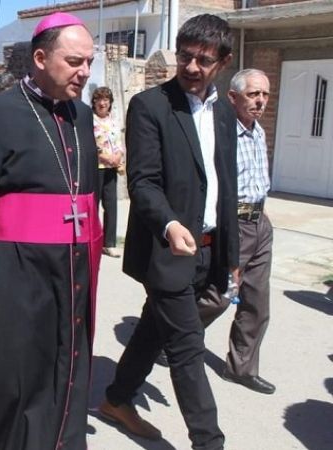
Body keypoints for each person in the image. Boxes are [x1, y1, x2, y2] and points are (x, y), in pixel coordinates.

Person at [0, 12, 102, 449]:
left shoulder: (82, 116)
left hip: (68, 270)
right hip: (13, 271)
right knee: (3, 377)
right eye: (74, 61)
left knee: (62, 362)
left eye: (89, 61)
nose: (84, 71)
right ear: (41, 57)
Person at [99, 15, 238, 450]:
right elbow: (142, 181)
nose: (192, 67)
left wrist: (229, 253)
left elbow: (225, 184)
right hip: (169, 248)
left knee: (153, 329)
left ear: (223, 61)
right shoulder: (151, 105)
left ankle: (117, 399)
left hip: (208, 248)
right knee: (186, 347)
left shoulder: (224, 113)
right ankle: (208, 441)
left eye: (203, 59)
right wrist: (171, 223)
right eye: (185, 56)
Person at [196, 68, 276, 395]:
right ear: (233, 97)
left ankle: (241, 367)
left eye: (265, 95)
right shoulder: (222, 133)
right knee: (220, 294)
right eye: (252, 94)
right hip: (234, 222)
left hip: (260, 222)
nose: (259, 101)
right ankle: (170, 334)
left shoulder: (258, 131)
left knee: (257, 301)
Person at [91, 86, 125, 258]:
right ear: (94, 102)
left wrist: (118, 155)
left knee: (111, 206)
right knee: (93, 204)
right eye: (99, 99)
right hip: (96, 167)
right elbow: (90, 145)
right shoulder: (91, 120)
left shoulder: (113, 120)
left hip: (112, 168)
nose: (103, 103)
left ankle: (109, 243)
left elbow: (118, 141)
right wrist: (106, 157)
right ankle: (92, 240)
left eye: (106, 100)